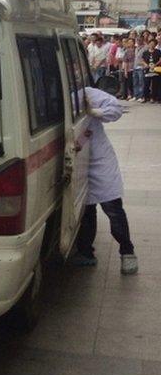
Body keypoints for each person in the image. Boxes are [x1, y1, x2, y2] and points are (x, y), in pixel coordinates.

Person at [71, 87, 138, 274]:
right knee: (85, 211)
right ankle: (86, 252)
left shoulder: (86, 93)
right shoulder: (52, 95)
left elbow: (115, 110)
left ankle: (127, 252)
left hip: (100, 162)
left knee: (113, 209)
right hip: (78, 161)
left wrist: (95, 112)